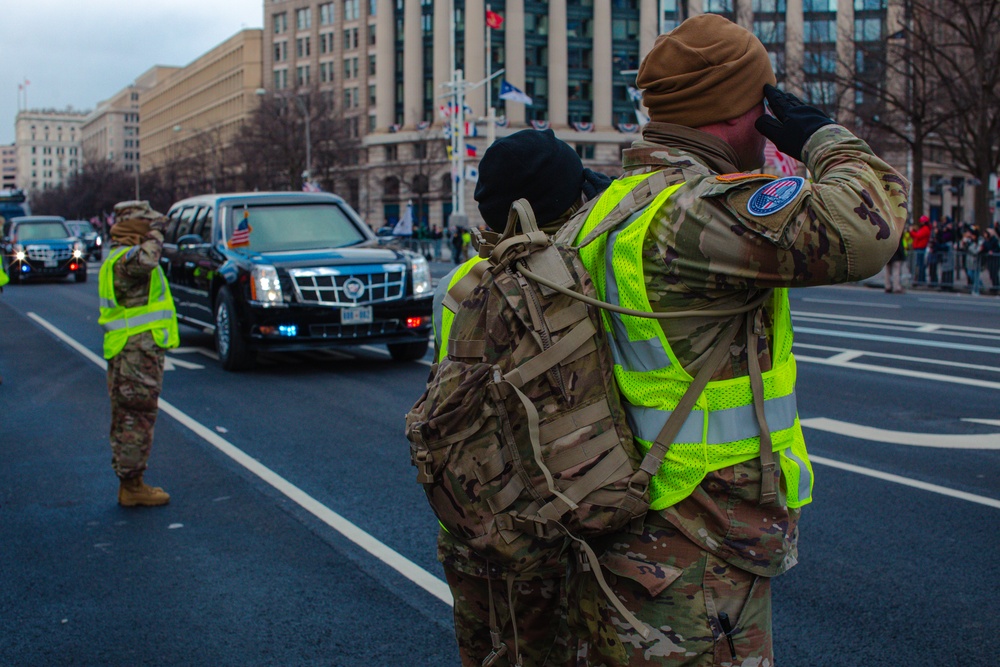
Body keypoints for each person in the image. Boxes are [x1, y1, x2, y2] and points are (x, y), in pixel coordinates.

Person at [563, 15, 908, 666]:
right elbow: (875, 225)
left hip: (637, 524)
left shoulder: (620, 203)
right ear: (735, 110)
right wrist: (823, 137)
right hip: (696, 541)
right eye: (764, 100)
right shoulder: (697, 214)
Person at [431, 128, 611, 667]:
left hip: (468, 519)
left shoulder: (463, 283)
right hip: (543, 527)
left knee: (484, 647)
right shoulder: (578, 282)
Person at [98, 200, 179, 507]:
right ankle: (132, 486)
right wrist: (156, 234)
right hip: (135, 355)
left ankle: (130, 482)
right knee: (136, 418)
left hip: (131, 351)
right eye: (146, 226)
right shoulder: (127, 259)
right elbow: (148, 260)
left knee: (129, 417)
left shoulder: (118, 256)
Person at [910, 214, 931, 285]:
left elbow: (918, 236)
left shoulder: (925, 229)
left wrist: (911, 232)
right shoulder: (924, 228)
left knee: (920, 265)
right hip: (919, 248)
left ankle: (920, 280)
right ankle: (920, 279)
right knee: (919, 264)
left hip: (920, 248)